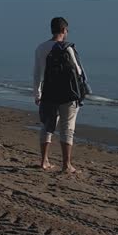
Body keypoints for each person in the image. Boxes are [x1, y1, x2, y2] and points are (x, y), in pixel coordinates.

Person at [33, 16, 89, 172]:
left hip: (48, 92)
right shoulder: (68, 48)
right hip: (68, 94)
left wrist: (37, 93)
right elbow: (78, 71)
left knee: (47, 126)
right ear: (64, 30)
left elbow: (37, 73)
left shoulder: (41, 48)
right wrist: (82, 91)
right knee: (67, 128)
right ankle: (66, 165)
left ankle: (44, 161)